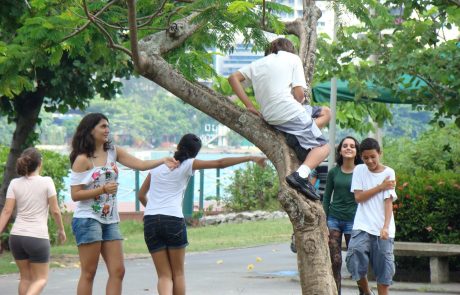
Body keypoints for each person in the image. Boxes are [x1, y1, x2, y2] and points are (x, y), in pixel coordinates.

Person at [138, 133, 266, 295]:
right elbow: (220, 163)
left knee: (164, 276)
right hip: (173, 220)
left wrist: (154, 211)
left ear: (178, 146)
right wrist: (250, 158)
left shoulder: (158, 164)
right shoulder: (188, 164)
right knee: (178, 274)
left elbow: (141, 195)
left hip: (150, 221)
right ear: (196, 152)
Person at [69, 113, 178, 295]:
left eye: (108, 126)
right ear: (90, 130)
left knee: (118, 271)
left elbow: (141, 164)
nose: (107, 130)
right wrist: (102, 190)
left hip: (110, 220)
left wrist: (163, 160)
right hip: (88, 219)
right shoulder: (82, 159)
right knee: (89, 273)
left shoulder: (113, 151)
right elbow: (75, 195)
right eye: (103, 126)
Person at [228, 37, 330, 201]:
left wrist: (249, 106)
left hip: (269, 116)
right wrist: (299, 99)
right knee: (323, 148)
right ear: (290, 49)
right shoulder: (293, 58)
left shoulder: (258, 64)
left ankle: (299, 135)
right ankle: (300, 176)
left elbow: (232, 78)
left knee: (325, 112)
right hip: (290, 111)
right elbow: (299, 94)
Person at [0, 147, 66, 295]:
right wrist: (61, 229)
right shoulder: (47, 182)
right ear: (40, 163)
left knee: (25, 278)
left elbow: (6, 211)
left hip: (16, 237)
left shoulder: (15, 183)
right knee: (41, 279)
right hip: (37, 237)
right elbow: (55, 210)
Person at [346, 138, 397, 295]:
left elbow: (388, 203)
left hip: (383, 228)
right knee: (354, 254)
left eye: (373, 157)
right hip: (362, 225)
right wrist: (380, 186)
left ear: (379, 154)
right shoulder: (359, 170)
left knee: (384, 271)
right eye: (365, 157)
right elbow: (359, 198)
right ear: (361, 157)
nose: (369, 161)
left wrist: (385, 227)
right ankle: (366, 291)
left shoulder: (389, 172)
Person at [322, 136, 361, 294]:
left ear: (356, 150)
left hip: (354, 220)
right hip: (334, 219)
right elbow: (326, 196)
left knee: (355, 262)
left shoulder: (361, 171)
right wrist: (324, 220)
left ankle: (363, 291)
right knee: (335, 261)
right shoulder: (334, 172)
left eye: (352, 146)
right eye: (345, 146)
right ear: (340, 150)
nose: (348, 148)